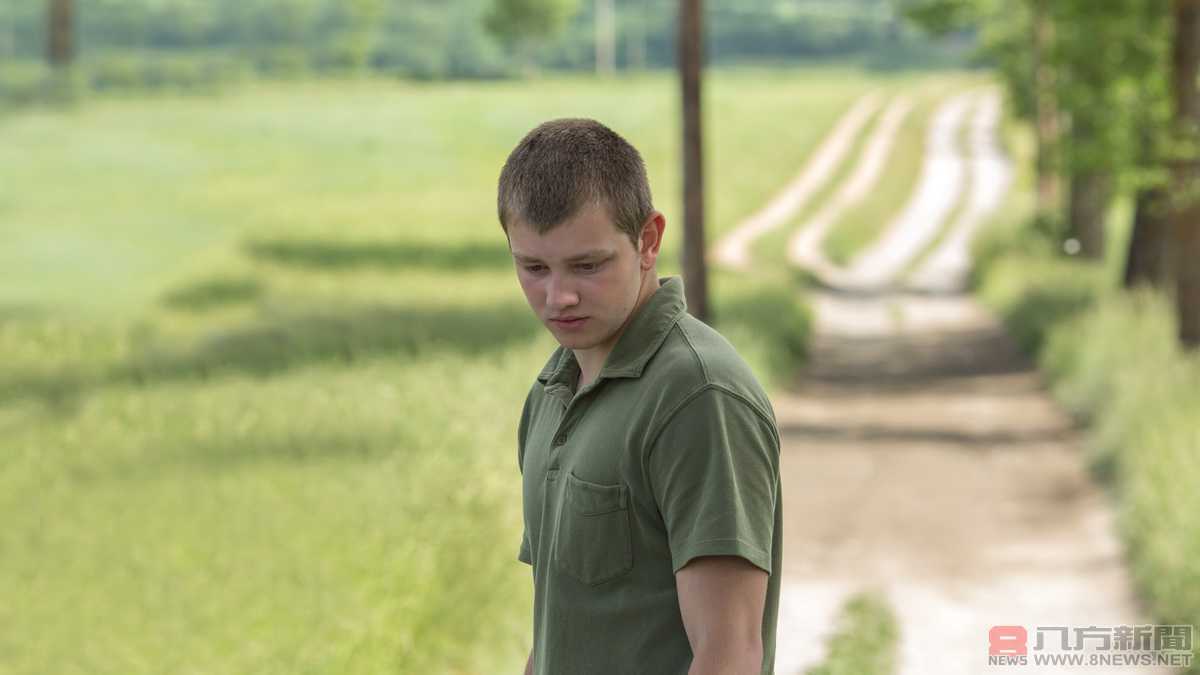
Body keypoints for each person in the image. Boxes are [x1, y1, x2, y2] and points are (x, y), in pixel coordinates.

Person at [497, 118, 782, 675]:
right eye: (533, 268)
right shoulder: (552, 392)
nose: (559, 296)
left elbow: (729, 653)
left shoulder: (698, 397)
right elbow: (560, 629)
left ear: (648, 240)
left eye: (588, 264)